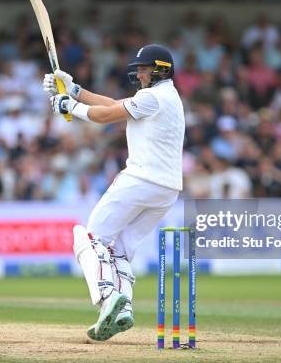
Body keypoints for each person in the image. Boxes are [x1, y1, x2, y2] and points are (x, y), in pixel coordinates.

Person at [43, 44, 185, 341]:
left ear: (160, 69)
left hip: (141, 179)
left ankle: (107, 299)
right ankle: (123, 310)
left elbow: (105, 117)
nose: (140, 73)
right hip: (167, 190)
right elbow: (111, 105)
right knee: (119, 249)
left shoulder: (154, 97)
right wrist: (75, 90)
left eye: (145, 68)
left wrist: (69, 106)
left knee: (90, 238)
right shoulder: (163, 97)